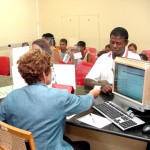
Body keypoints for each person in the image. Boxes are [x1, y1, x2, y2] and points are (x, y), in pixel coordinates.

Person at [0, 49, 100, 150]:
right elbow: (84, 103)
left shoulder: (10, 98)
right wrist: (92, 94)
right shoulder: (59, 96)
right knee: (84, 145)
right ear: (44, 73)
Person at [84, 27, 141, 93]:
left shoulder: (135, 59)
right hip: (105, 98)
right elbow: (87, 80)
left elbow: (137, 85)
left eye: (118, 43)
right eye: (112, 42)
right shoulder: (103, 58)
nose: (114, 46)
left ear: (126, 43)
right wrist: (101, 86)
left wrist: (111, 86)